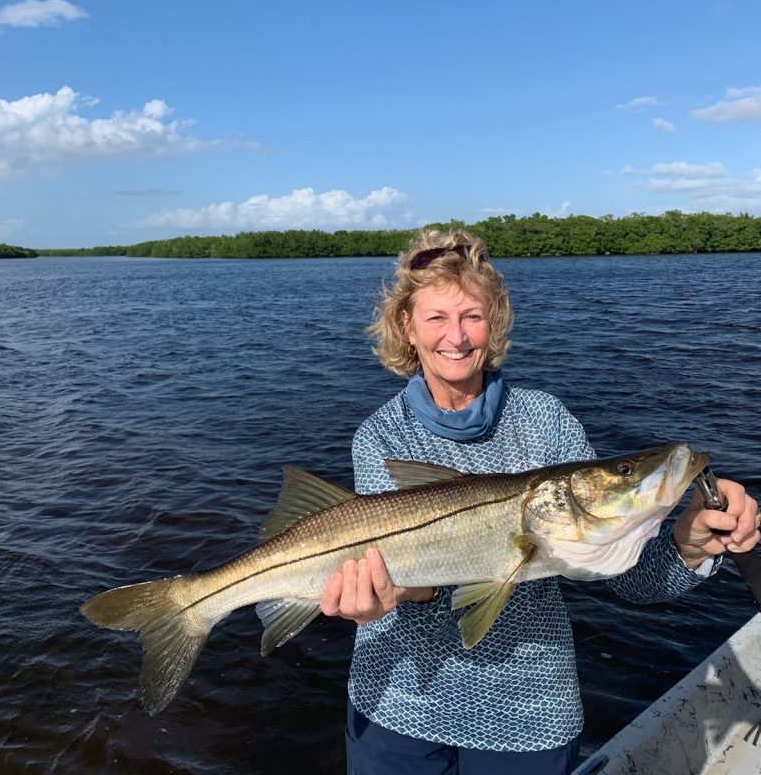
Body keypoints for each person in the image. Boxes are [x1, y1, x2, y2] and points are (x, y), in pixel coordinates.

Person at [320, 228, 761, 775]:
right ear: (406, 328)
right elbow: (407, 579)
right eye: (436, 317)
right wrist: (384, 593)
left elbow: (629, 580)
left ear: (494, 323)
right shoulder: (380, 436)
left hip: (529, 714)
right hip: (396, 706)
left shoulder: (547, 420)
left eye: (472, 316)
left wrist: (690, 545)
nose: (455, 337)